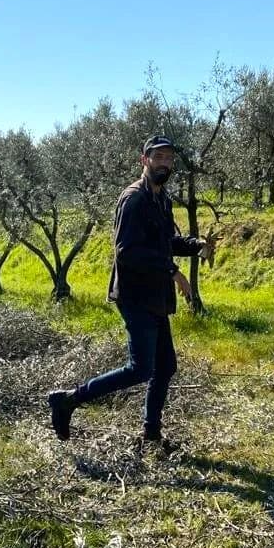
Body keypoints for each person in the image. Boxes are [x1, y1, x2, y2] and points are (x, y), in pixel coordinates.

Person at [48, 135, 207, 445]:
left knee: (165, 367)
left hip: (155, 295)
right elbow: (127, 252)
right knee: (141, 369)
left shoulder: (162, 198)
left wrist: (195, 245)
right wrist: (173, 272)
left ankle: (151, 434)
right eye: (158, 157)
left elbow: (165, 243)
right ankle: (68, 400)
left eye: (168, 158)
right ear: (144, 160)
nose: (164, 163)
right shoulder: (133, 199)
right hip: (135, 296)